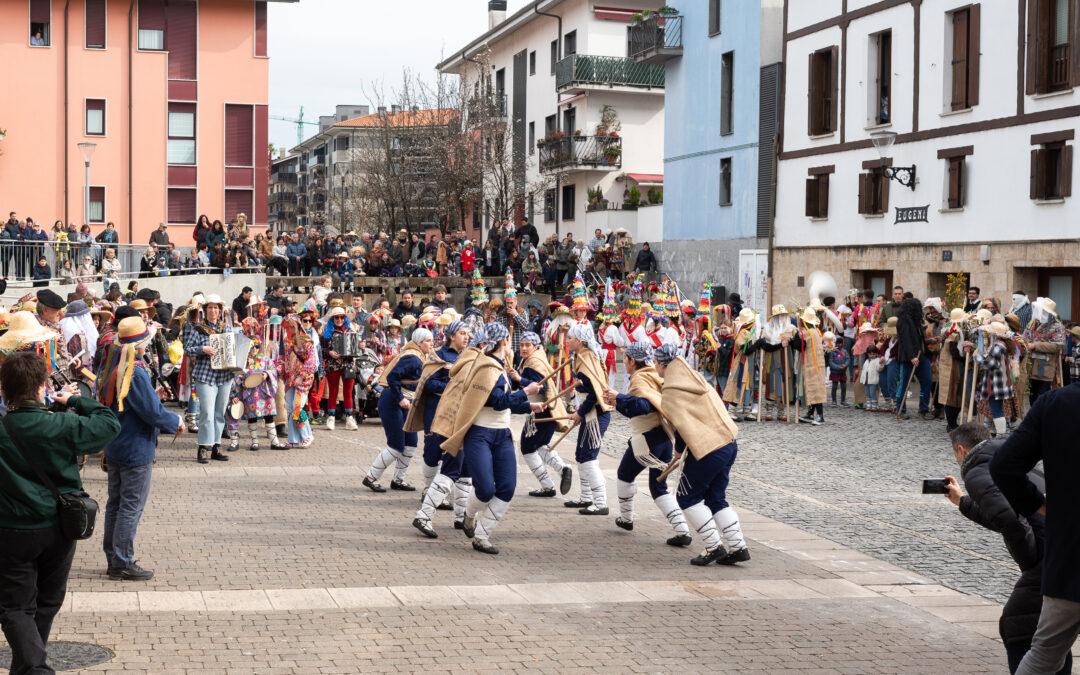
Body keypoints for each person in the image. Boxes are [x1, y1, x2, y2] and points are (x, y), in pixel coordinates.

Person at [0, 351, 121, 674]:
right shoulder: (61, 424)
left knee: (15, 606)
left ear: (4, 390)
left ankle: (30, 667)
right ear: (42, 387)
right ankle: (35, 668)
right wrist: (75, 400)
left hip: (11, 529)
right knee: (47, 602)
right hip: (59, 527)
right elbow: (109, 423)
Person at [943, 423, 1068, 675]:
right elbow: (1001, 514)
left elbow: (1009, 520)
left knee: (1019, 626)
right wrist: (962, 502)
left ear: (961, 451)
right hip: (1064, 546)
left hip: (1052, 558)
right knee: (1050, 632)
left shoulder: (976, 472)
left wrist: (1030, 562)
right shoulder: (1013, 461)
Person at [991, 378, 1080, 675]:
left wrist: (1037, 504)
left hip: (1070, 557)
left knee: (1043, 656)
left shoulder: (1056, 403)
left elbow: (1003, 465)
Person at [437, 323, 543, 554]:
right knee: (485, 488)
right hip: (480, 434)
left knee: (507, 487)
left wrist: (528, 406)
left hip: (502, 434)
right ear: (504, 341)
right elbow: (497, 401)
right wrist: (526, 392)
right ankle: (468, 514)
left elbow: (504, 403)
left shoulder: (500, 366)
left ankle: (482, 536)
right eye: (510, 340)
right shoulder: (487, 367)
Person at [97, 317, 184, 582]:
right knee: (130, 506)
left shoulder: (115, 364)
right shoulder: (134, 370)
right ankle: (122, 561)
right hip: (134, 446)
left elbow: (133, 404)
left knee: (116, 504)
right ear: (141, 343)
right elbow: (152, 413)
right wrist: (176, 421)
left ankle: (114, 557)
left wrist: (152, 397)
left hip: (116, 443)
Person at [653, 343, 750, 566]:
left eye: (656, 363)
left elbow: (681, 424)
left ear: (663, 365)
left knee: (687, 497)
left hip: (707, 448)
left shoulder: (671, 391)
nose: (655, 367)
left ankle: (713, 546)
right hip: (728, 441)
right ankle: (738, 547)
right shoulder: (695, 377)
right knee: (716, 498)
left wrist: (678, 450)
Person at [602, 342, 692, 547]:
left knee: (624, 474)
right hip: (664, 439)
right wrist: (618, 401)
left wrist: (619, 398)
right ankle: (682, 530)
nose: (624, 362)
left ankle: (626, 519)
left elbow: (643, 406)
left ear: (632, 360)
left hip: (648, 440)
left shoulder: (640, 378)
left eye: (626, 359)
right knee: (658, 486)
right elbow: (642, 406)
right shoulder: (653, 375)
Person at [408, 320, 470, 538]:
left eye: (468, 333)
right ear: (451, 336)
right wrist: (453, 387)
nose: (466, 337)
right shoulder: (437, 355)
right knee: (432, 452)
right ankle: (428, 490)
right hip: (436, 410)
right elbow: (428, 383)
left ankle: (461, 515)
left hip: (459, 414)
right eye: (462, 333)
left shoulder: (469, 356)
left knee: (462, 463)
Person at [363, 328, 434, 492]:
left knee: (411, 443)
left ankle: (398, 480)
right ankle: (371, 477)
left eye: (431, 340)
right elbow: (392, 377)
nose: (431, 344)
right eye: (428, 341)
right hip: (393, 400)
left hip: (405, 401)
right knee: (396, 445)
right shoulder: (412, 357)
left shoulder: (420, 356)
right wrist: (400, 398)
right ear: (419, 343)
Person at [513, 332, 573, 498]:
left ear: (535, 346)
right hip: (544, 411)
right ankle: (561, 470)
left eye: (528, 345)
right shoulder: (531, 359)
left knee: (527, 448)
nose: (524, 348)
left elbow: (541, 386)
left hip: (541, 411)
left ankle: (549, 483)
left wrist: (520, 379)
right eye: (522, 345)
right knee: (541, 446)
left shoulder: (534, 362)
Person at [563, 323, 613, 515]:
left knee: (588, 456)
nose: (567, 341)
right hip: (590, 411)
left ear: (580, 341)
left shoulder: (587, 358)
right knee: (581, 455)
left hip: (597, 413)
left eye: (570, 338)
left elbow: (594, 392)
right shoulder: (583, 355)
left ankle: (600, 502)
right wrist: (581, 410)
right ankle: (586, 497)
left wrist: (580, 412)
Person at [181, 294, 233, 463]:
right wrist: (202, 349)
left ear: (220, 311)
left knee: (220, 413)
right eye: (210, 307)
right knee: (207, 413)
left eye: (216, 308)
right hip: (205, 375)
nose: (213, 311)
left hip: (225, 375)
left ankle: (216, 446)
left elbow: (233, 349)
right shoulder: (198, 329)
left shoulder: (227, 329)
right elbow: (187, 349)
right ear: (205, 310)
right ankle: (203, 446)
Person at [279, 314, 318, 448]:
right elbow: (284, 358)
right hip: (290, 379)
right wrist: (280, 369)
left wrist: (301, 376)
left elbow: (311, 360)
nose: (289, 329)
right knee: (290, 409)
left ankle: (307, 435)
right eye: (287, 327)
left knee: (297, 408)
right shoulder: (286, 341)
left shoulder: (306, 340)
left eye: (291, 326)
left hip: (303, 380)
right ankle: (294, 439)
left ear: (297, 326)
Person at [320, 307, 358, 431]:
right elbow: (321, 349)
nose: (339, 320)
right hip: (333, 364)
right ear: (332, 318)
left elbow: (356, 349)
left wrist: (359, 345)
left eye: (342, 317)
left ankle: (349, 418)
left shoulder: (350, 331)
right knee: (333, 391)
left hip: (348, 363)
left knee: (348, 392)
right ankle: (331, 418)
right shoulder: (327, 333)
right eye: (337, 317)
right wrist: (329, 352)